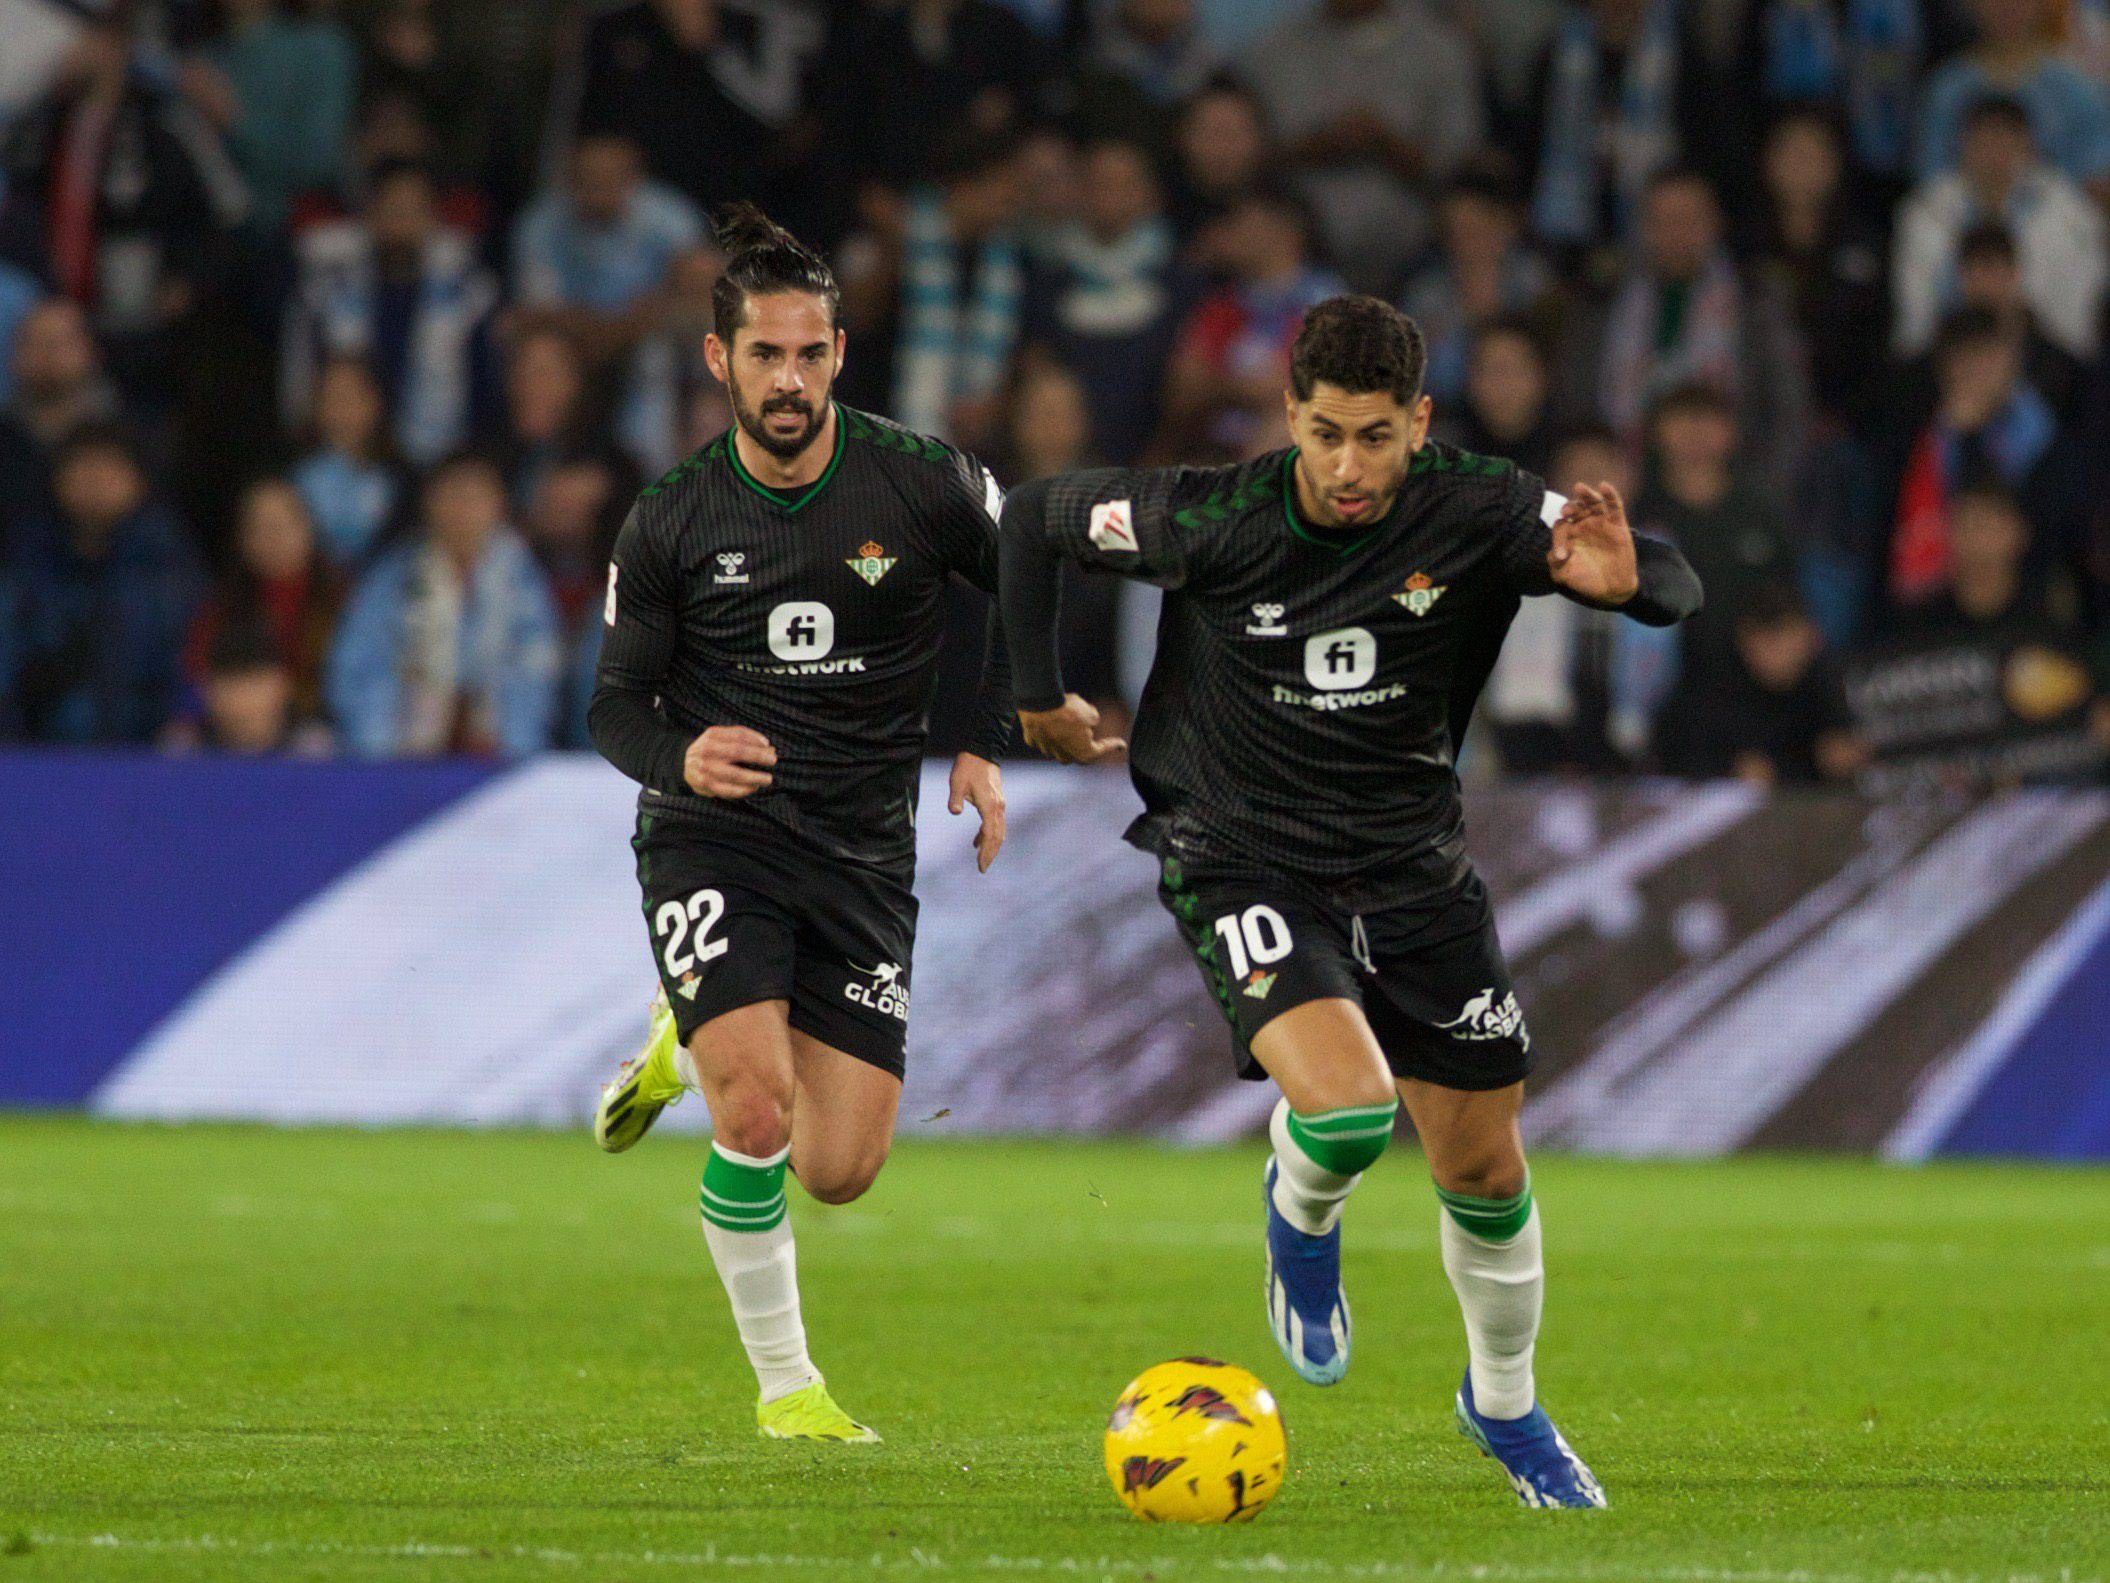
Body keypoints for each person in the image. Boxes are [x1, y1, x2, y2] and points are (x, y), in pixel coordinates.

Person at [998, 296, 1700, 1507]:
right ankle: (1299, 1208)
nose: (1347, 466)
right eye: (1324, 433)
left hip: (1415, 870)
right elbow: (1030, 519)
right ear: (1290, 415)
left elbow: (1670, 578)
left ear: (1419, 422)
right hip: (1240, 854)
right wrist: (1034, 697)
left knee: (1484, 1169)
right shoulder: (1211, 514)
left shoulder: (1480, 507)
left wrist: (1629, 589)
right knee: (1348, 1112)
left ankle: (1504, 1405)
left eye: (1375, 436)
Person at [584, 205, 1015, 1444]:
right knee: (757, 1114)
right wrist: (682, 751)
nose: (789, 380)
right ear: (719, 359)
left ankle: (680, 1035)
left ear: (840, 354)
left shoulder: (920, 479)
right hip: (713, 834)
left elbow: (1026, 580)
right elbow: (613, 707)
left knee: (838, 1168)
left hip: (863, 851)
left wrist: (988, 732)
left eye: (810, 355)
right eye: (764, 356)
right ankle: (789, 1393)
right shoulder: (670, 517)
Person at [325, 450, 560, 758]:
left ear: (499, 505)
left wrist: (501, 733)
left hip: (498, 756)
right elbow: (355, 668)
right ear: (429, 503)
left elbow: (541, 672)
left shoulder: (524, 581)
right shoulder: (391, 578)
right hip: (403, 753)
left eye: (475, 498)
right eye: (452, 496)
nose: (462, 510)